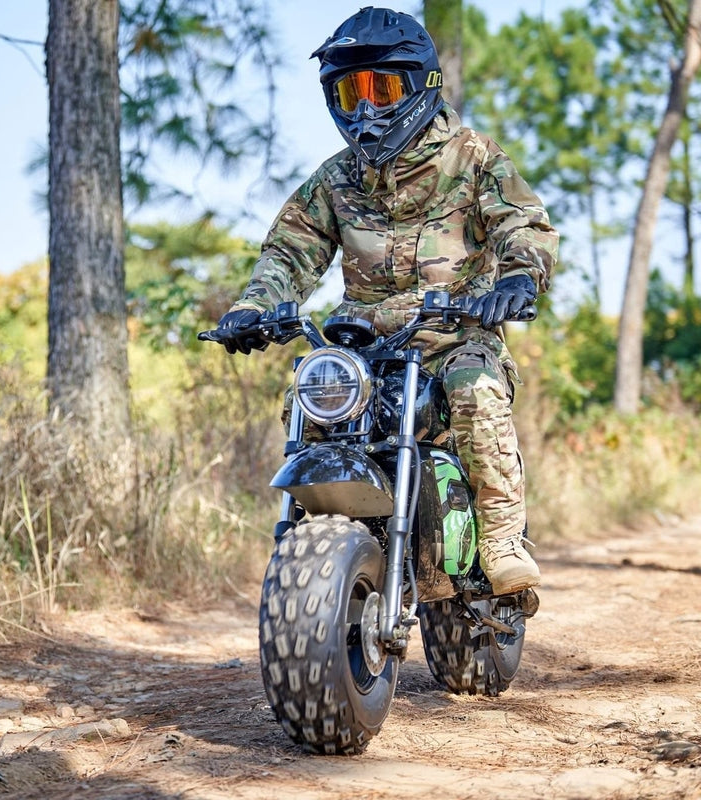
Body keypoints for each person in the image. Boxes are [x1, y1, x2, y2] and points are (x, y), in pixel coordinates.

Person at [213, 6, 559, 595]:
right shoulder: (336, 178)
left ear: (422, 84)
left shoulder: (473, 158)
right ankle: (318, 542)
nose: (366, 108)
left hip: (455, 336)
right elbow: (289, 252)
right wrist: (253, 308)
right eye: (350, 91)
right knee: (312, 394)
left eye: (382, 86)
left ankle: (501, 538)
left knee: (475, 389)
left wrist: (517, 281)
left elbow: (523, 225)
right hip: (366, 344)